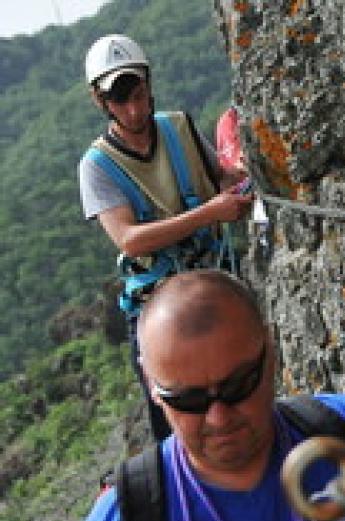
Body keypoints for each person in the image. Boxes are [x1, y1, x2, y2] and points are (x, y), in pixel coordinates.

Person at [83, 269, 345, 521]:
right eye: (188, 400)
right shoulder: (128, 519)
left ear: (271, 350)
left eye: (239, 384)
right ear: (153, 388)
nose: (219, 417)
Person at [78, 34, 253, 441]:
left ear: (148, 83)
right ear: (101, 102)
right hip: (157, 306)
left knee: (242, 390)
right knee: (181, 422)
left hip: (213, 283)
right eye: (121, 101)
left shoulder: (179, 127)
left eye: (138, 94)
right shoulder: (97, 166)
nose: (134, 109)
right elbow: (129, 239)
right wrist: (209, 213)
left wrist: (244, 173)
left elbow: (219, 179)